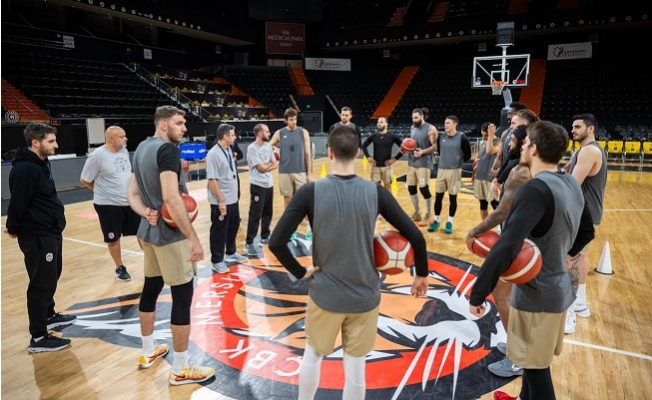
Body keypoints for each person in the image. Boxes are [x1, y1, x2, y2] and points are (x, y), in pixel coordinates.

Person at [268, 125, 430, 400]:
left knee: (313, 355)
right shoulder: (376, 192)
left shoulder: (309, 192)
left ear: (329, 152)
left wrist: (300, 271)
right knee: (355, 365)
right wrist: (421, 274)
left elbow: (276, 242)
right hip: (364, 296)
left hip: (325, 295)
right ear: (358, 154)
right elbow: (416, 237)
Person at [469, 121, 595, 400]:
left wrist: (478, 293)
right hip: (558, 289)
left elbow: (506, 245)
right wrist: (564, 255)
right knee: (533, 361)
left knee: (536, 370)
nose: (522, 146)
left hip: (536, 296)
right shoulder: (571, 183)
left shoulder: (534, 189)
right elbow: (588, 230)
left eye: (526, 143)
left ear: (534, 149)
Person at [127, 105, 214, 384]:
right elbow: (171, 198)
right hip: (169, 236)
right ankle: (180, 368)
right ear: (163, 125)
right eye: (179, 123)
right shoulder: (168, 150)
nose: (184, 128)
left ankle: (148, 351)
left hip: (148, 234)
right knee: (182, 297)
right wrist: (194, 238)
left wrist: (145, 212)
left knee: (151, 289)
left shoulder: (141, 148)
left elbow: (131, 193)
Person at [466, 124, 531, 379]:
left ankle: (517, 357)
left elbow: (502, 211)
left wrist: (474, 231)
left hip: (517, 239)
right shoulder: (527, 169)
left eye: (515, 139)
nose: (511, 142)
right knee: (511, 297)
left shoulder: (521, 171)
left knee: (502, 294)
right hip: (522, 239)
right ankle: (518, 347)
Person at [5, 122, 77, 353]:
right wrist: (13, 226)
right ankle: (38, 337)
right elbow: (18, 202)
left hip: (50, 230)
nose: (56, 145)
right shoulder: (26, 169)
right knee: (41, 283)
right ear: (35, 142)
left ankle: (49, 315)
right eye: (51, 141)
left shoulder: (40, 163)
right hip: (37, 233)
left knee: (51, 275)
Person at [563, 113, 607, 334]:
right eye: (572, 126)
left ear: (591, 129)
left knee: (569, 260)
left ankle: (569, 314)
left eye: (578, 126)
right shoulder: (584, 151)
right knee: (580, 257)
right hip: (586, 213)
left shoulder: (590, 151)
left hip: (583, 215)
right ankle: (580, 303)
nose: (573, 130)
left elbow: (571, 183)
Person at [80, 126, 140, 281]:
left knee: (142, 232)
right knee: (113, 239)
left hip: (128, 201)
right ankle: (119, 267)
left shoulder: (124, 151)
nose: (126, 139)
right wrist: (101, 191)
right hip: (108, 205)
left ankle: (153, 262)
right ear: (111, 139)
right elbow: (85, 179)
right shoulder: (97, 156)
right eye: (122, 136)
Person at [206, 123, 248, 273]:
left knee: (233, 226)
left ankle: (230, 252)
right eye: (232, 135)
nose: (235, 137)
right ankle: (217, 260)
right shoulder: (213, 154)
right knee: (219, 231)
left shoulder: (228, 150)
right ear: (225, 136)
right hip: (221, 201)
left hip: (232, 199)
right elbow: (212, 180)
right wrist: (221, 201)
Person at [270, 107, 313, 239]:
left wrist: (309, 173)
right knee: (287, 201)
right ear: (286, 120)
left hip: (300, 170)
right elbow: (269, 146)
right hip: (284, 171)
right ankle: (290, 229)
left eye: (295, 119)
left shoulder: (303, 132)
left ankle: (309, 227)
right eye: (291, 120)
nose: (294, 122)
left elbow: (307, 153)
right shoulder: (279, 133)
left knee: (304, 201)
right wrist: (277, 149)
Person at [427, 115, 471, 234]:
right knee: (438, 197)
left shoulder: (462, 137)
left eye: (448, 123)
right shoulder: (441, 136)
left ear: (455, 124)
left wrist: (457, 162)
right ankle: (436, 221)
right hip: (441, 170)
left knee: (453, 198)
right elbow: (440, 151)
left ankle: (449, 222)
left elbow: (468, 154)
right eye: (445, 123)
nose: (445, 125)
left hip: (455, 171)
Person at [244, 123, 279, 256]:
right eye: (267, 132)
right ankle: (249, 242)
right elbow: (261, 168)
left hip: (269, 184)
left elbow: (274, 164)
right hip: (257, 185)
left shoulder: (268, 146)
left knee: (268, 212)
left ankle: (265, 237)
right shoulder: (252, 148)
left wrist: (267, 165)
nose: (269, 134)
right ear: (260, 134)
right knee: (255, 214)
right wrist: (269, 165)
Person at [491, 109, 540, 200]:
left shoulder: (534, 142)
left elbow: (516, 161)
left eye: (513, 123)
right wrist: (497, 179)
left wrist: (499, 181)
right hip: (508, 181)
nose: (510, 126)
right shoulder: (511, 135)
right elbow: (509, 157)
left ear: (524, 124)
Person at [405, 108, 438, 225]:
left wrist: (422, 152)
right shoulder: (412, 128)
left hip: (424, 163)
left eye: (416, 118)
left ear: (422, 117)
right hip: (411, 163)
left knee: (423, 189)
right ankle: (417, 213)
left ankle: (429, 214)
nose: (414, 120)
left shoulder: (430, 129)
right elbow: (412, 144)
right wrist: (405, 148)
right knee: (411, 188)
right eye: (412, 118)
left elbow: (434, 147)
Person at [361, 117, 403, 190]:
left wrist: (395, 159)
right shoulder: (373, 136)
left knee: (388, 188)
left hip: (387, 167)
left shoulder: (392, 136)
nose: (379, 124)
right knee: (375, 188)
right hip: (375, 167)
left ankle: (387, 202)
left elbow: (404, 148)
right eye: (378, 123)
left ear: (386, 124)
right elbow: (364, 146)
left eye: (381, 122)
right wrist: (368, 157)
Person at [472, 122, 500, 221]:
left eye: (486, 135)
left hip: (490, 179)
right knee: (482, 203)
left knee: (495, 204)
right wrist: (474, 175)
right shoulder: (482, 143)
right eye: (482, 135)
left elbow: (490, 151)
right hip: (480, 177)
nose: (484, 137)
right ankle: (485, 226)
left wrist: (491, 136)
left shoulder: (499, 142)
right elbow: (479, 160)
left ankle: (500, 228)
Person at [491, 102, 527, 179]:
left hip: (518, 175)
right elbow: (500, 156)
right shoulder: (505, 133)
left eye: (510, 114)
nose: (507, 116)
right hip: (504, 174)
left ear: (519, 114)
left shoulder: (527, 135)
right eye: (507, 114)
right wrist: (494, 169)